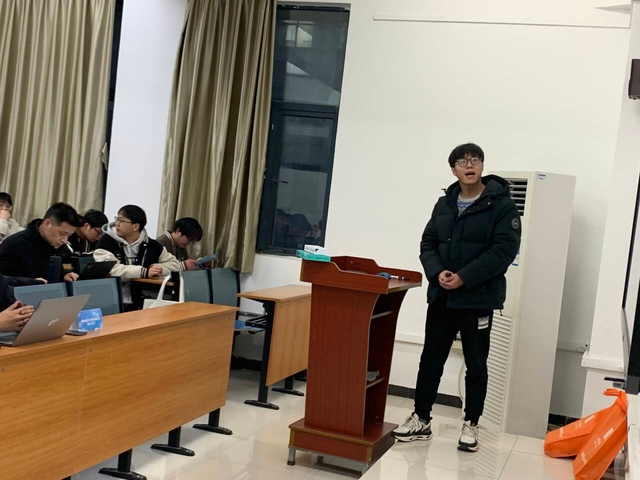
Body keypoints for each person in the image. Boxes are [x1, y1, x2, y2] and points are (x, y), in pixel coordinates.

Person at [391, 143, 521, 452]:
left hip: (478, 298)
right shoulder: (444, 204)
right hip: (442, 297)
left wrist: (464, 277)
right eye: (462, 161)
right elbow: (428, 243)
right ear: (453, 170)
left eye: (474, 160)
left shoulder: (502, 205)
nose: (469, 165)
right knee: (431, 359)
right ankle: (421, 419)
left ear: (482, 166)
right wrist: (438, 273)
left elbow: (503, 252)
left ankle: (471, 424)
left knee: (476, 364)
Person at [93, 204, 180, 281]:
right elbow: (110, 269)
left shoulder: (151, 245)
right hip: (114, 291)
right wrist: (143, 272)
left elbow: (175, 264)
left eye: (121, 221)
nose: (116, 224)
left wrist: (159, 268)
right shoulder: (106, 242)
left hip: (143, 292)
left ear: (135, 226)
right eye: (117, 219)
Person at [0, 202, 81, 283]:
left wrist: (64, 275)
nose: (64, 240)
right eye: (62, 234)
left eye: (69, 235)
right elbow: (2, 280)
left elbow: (62, 269)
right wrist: (29, 282)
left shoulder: (63, 248)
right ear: (47, 224)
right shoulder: (14, 245)